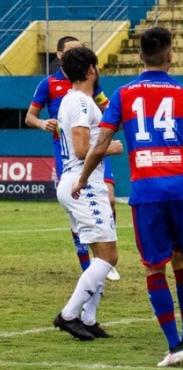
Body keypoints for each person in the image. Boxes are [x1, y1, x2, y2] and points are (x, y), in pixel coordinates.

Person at [72, 27, 183, 366]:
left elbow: (101, 143)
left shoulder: (123, 94)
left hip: (147, 189)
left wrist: (84, 177)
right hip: (181, 186)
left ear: (139, 56)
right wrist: (180, 175)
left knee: (153, 267)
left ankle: (175, 346)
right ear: (170, 55)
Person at [25, 36, 120, 281]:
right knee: (76, 210)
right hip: (69, 151)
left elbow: (106, 105)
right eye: (73, 50)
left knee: (109, 199)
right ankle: (88, 263)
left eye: (81, 49)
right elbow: (30, 117)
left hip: (95, 146)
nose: (79, 53)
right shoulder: (50, 84)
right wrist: (43, 122)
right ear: (60, 56)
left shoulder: (91, 87)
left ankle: (104, 251)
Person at [53, 47, 122, 341]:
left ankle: (89, 318)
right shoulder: (81, 103)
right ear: (92, 69)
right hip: (83, 183)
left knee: (99, 255)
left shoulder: (75, 100)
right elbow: (83, 150)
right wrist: (113, 147)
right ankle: (68, 315)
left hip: (77, 183)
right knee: (108, 256)